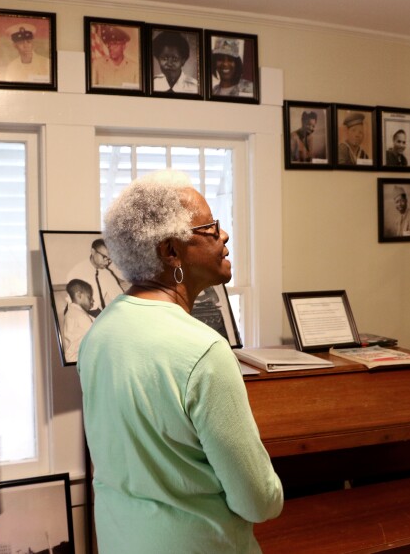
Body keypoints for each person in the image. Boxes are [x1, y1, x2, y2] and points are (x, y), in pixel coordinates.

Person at [78, 171, 283, 553]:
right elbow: (257, 501)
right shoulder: (203, 350)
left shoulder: (99, 333)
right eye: (210, 227)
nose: (224, 235)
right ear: (171, 251)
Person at [66, 238, 125, 317]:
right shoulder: (77, 272)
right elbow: (73, 305)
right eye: (104, 257)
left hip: (96, 312)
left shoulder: (106, 274)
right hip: (77, 313)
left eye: (109, 259)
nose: (107, 262)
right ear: (93, 252)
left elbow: (118, 296)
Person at [62, 279, 95, 363]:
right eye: (89, 297)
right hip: (77, 359)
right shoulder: (80, 316)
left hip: (73, 358)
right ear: (79, 295)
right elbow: (96, 337)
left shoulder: (71, 312)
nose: (92, 300)